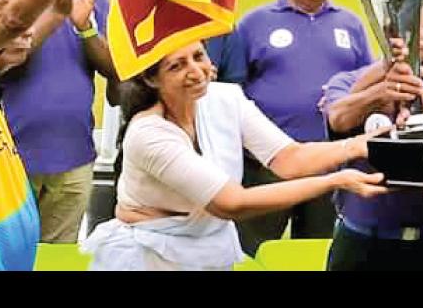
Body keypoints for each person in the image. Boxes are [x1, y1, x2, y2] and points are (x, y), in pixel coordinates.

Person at [80, 40, 388, 270]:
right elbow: (232, 203)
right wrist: (336, 180)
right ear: (151, 79)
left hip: (210, 251)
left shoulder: (225, 98)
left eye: (198, 56)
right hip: (149, 257)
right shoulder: (149, 134)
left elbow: (289, 159)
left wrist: (360, 145)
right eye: (177, 66)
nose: (195, 71)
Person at [0, 0, 127, 270]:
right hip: (12, 156)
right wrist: (53, 14)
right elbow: (5, 65)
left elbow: (116, 75)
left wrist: (85, 27)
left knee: (57, 261)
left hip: (74, 154)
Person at [205, 0, 372, 255]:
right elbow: (234, 87)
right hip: (267, 164)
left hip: (328, 163)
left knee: (316, 251)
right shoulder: (256, 22)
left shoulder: (350, 24)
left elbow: (364, 84)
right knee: (248, 250)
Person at [323, 6, 423, 271]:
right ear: (392, 37)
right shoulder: (348, 82)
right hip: (360, 240)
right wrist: (383, 91)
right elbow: (337, 118)